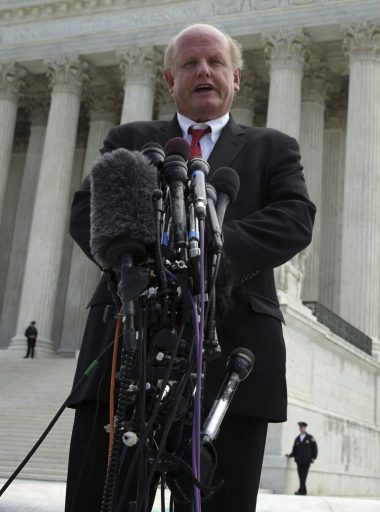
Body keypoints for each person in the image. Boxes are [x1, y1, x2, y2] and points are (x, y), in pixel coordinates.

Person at [64, 23, 315, 512]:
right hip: (127, 344)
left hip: (231, 354)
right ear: (168, 79)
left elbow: (293, 218)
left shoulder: (273, 148)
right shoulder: (130, 139)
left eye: (216, 62)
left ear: (236, 78)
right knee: (103, 496)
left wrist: (209, 253)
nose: (204, 71)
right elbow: (86, 211)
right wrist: (154, 261)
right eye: (190, 63)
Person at [285, 421, 318, 495]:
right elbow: (294, 450)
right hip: (299, 460)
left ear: (305, 428)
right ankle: (304, 491)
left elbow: (315, 448)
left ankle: (301, 491)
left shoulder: (310, 438)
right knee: (300, 475)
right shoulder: (297, 439)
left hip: (307, 460)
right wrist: (290, 455)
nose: (301, 428)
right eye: (300, 427)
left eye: (302, 427)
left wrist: (313, 457)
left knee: (304, 475)